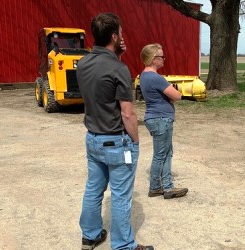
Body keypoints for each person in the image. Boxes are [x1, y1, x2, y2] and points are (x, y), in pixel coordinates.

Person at [76, 13, 153, 250]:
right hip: (116, 141)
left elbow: (101, 88)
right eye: (120, 32)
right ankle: (123, 245)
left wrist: (117, 55)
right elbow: (127, 113)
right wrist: (136, 141)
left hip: (93, 138)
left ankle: (90, 235)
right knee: (120, 195)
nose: (122, 35)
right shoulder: (119, 68)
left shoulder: (83, 62)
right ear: (114, 36)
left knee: (94, 188)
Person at [139, 43, 188, 199]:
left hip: (155, 117)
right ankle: (160, 187)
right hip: (161, 119)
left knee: (166, 152)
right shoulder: (155, 77)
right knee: (161, 154)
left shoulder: (144, 76)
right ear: (154, 59)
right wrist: (172, 97)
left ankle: (165, 186)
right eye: (162, 57)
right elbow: (178, 96)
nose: (164, 59)